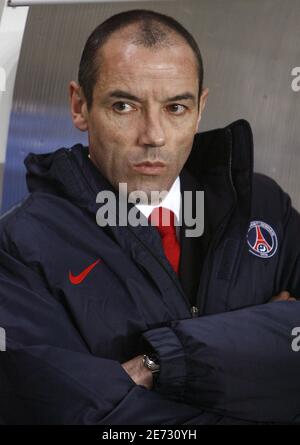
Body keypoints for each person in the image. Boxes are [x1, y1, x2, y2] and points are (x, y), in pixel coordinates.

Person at [0, 9, 299, 425]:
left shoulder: (263, 207)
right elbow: (84, 419)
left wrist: (160, 362)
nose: (153, 135)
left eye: (176, 107)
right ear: (79, 106)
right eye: (124, 105)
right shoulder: (19, 248)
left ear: (200, 110)